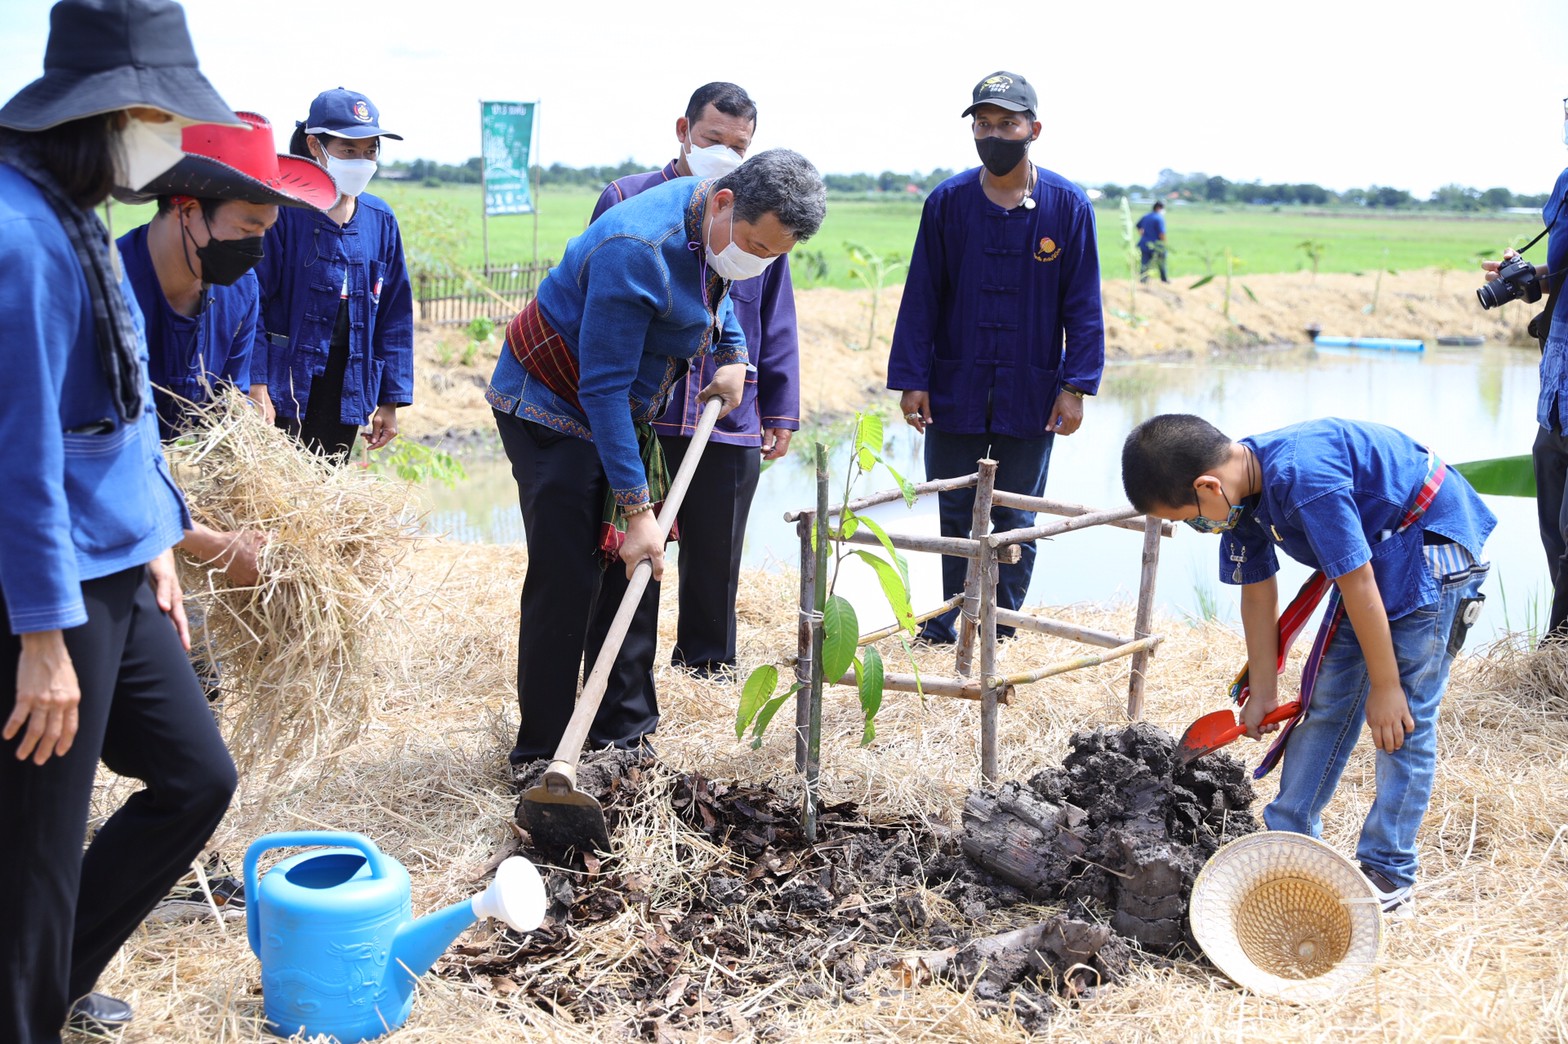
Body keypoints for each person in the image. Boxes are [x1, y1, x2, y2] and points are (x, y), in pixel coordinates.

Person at [0, 0, 241, 1037]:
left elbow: (119, 406)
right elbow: (16, 457)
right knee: (36, 853)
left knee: (195, 778)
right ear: (109, 114)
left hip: (116, 560)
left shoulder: (73, 208)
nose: (172, 138)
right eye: (161, 116)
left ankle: (48, 984)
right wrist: (40, 638)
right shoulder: (19, 235)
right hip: (45, 585)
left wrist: (158, 543)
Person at [487, 149, 825, 768]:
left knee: (633, 568)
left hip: (618, 403)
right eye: (755, 246)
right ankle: (541, 753)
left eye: (773, 255)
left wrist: (732, 353)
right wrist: (637, 510)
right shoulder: (636, 248)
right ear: (724, 204)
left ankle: (623, 738)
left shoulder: (718, 224)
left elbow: (716, 294)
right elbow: (602, 389)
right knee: (570, 574)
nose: (758, 261)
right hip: (551, 401)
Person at [1121, 414, 1495, 917]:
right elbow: (1257, 595)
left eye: (1192, 518)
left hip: (1428, 545)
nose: (1199, 528)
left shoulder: (1304, 479)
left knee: (1401, 720)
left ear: (1207, 486)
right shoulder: (1238, 499)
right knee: (1326, 702)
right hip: (1370, 560)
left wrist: (1385, 687)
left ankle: (1390, 872)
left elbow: (1358, 583)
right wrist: (1263, 691)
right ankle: (1289, 838)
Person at [886, 70, 1105, 645]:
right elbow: (922, 295)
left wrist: (1075, 387)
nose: (994, 134)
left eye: (1007, 123)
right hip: (954, 383)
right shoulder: (948, 203)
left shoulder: (1067, 206)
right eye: (984, 124)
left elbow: (1083, 304)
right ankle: (946, 623)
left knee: (1015, 513)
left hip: (1031, 389)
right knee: (952, 506)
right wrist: (912, 379)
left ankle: (998, 628)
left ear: (1034, 129)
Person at [591, 82, 800, 678]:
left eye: (739, 146)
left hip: (727, 411)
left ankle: (707, 670)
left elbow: (776, 316)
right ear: (684, 131)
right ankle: (626, 681)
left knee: (717, 554)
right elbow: (601, 310)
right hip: (645, 411)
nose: (725, 155)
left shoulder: (763, 217)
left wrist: (780, 407)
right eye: (714, 140)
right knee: (634, 548)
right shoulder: (629, 201)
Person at [119, 111, 337, 593]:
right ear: (187, 209)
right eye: (246, 228)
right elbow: (101, 461)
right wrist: (212, 544)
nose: (256, 249)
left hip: (172, 511)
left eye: (266, 231)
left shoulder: (240, 292)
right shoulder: (105, 291)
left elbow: (226, 417)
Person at [253, 88, 413, 462]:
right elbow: (252, 301)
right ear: (315, 146)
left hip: (346, 384)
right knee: (276, 483)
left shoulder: (380, 220)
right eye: (348, 150)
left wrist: (389, 401)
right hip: (282, 379)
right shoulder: (282, 212)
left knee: (326, 483)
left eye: (370, 151)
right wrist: (256, 385)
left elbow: (394, 317)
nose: (361, 161)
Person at [1485, 102, 1568, 644]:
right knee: (1554, 535)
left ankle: (1555, 652)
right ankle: (1559, 655)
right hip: (1557, 387)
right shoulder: (1566, 183)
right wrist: (1528, 279)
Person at [1136, 200, 1168, 283]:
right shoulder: (1159, 218)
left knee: (1144, 262)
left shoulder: (1146, 216)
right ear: (1158, 208)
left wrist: (1142, 234)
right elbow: (1161, 233)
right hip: (1156, 245)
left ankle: (1143, 280)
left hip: (1144, 243)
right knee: (1161, 261)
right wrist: (1164, 243)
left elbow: (1138, 225)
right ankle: (1164, 279)